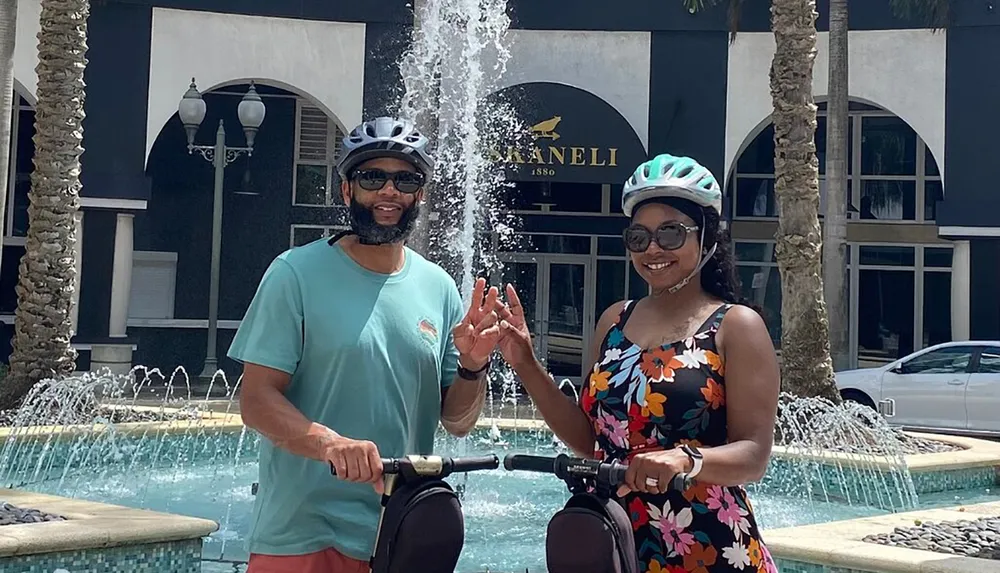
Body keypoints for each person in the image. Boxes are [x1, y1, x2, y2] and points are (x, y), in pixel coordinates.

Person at [230, 116, 503, 573]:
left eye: (405, 179)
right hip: (305, 536)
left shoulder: (438, 288)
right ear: (346, 190)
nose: (388, 192)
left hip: (402, 535)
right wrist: (329, 444)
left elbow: (456, 422)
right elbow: (256, 401)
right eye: (372, 177)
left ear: (420, 193)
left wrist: (474, 367)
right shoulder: (294, 274)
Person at [497, 153, 781, 573]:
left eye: (671, 233)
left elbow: (754, 455)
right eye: (639, 237)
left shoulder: (735, 325)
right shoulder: (615, 320)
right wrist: (524, 362)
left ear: (705, 237)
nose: (653, 249)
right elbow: (588, 438)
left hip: (703, 542)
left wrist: (685, 460)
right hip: (613, 534)